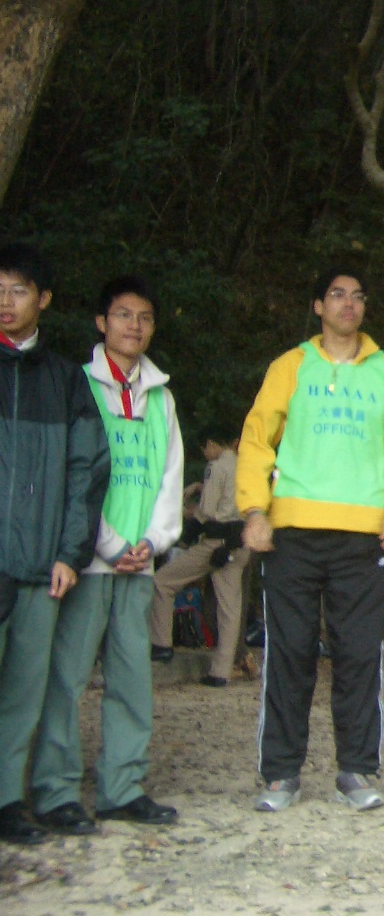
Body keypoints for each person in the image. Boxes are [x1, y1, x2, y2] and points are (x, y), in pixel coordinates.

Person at [238, 267, 384, 813]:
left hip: (364, 538)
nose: (349, 304)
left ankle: (357, 769)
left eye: (358, 297)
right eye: (337, 295)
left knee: (358, 656)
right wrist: (255, 510)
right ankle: (280, 774)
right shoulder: (290, 366)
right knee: (289, 654)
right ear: (318, 306)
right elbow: (256, 440)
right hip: (293, 534)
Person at [31, 275, 185, 835]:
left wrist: (155, 540)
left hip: (139, 562)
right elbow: (73, 473)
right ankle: (55, 791)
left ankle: (122, 787)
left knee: (131, 678)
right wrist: (106, 543)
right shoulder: (78, 386)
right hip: (87, 561)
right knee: (67, 677)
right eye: (123, 315)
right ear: (101, 323)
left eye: (144, 317)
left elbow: (170, 476)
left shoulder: (161, 397)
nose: (134, 326)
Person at [0, 244, 109, 846]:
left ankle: (8, 802)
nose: (5, 302)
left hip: (41, 565)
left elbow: (86, 472)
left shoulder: (66, 381)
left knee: (25, 693)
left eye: (17, 290)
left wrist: (70, 552)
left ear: (42, 299)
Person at [149, 427, 249, 686]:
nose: (205, 454)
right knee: (230, 608)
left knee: (162, 581)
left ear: (211, 443)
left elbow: (206, 511)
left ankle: (161, 644)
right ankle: (221, 671)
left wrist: (185, 530)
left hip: (214, 543)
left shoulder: (216, 467)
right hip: (239, 544)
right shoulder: (246, 466)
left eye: (204, 449)